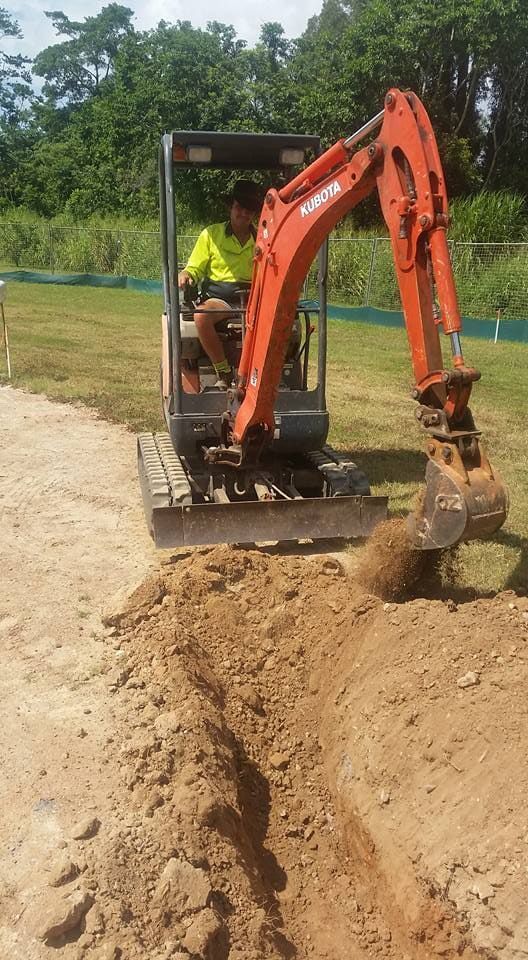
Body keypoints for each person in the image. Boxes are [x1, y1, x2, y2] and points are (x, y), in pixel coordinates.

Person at [178, 179, 262, 388]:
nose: (244, 214)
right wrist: (187, 274)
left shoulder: (263, 239)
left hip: (253, 300)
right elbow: (195, 267)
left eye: (249, 210)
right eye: (239, 208)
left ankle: (265, 373)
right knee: (201, 317)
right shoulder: (211, 235)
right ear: (230, 207)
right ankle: (223, 371)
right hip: (221, 300)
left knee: (285, 320)